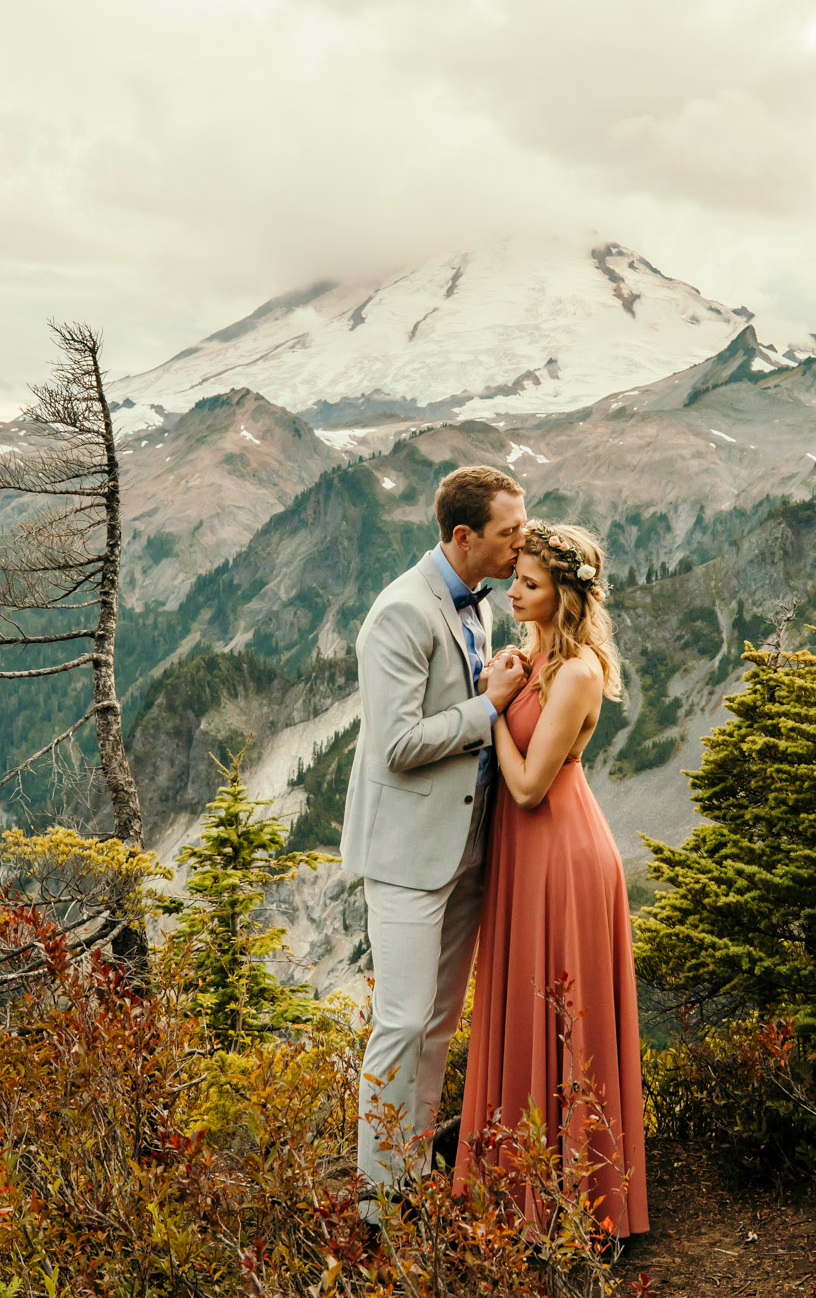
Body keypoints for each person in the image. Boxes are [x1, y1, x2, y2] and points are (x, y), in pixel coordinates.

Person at [341, 464, 529, 1219]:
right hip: (408, 855)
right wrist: (490, 705)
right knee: (402, 1022)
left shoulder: (471, 602)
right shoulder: (400, 612)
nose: (522, 541)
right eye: (509, 531)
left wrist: (495, 677)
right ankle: (377, 1208)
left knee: (438, 1024)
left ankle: (411, 1174)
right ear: (462, 536)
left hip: (466, 847)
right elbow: (397, 745)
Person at [454, 520, 648, 1240]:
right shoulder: (534, 652)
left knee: (565, 1019)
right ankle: (520, 1190)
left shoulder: (577, 671)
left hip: (562, 855)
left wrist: (491, 709)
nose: (512, 591)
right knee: (520, 1007)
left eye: (529, 585)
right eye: (515, 579)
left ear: (565, 595)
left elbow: (532, 785)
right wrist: (501, 690)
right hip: (520, 855)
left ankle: (581, 1199)